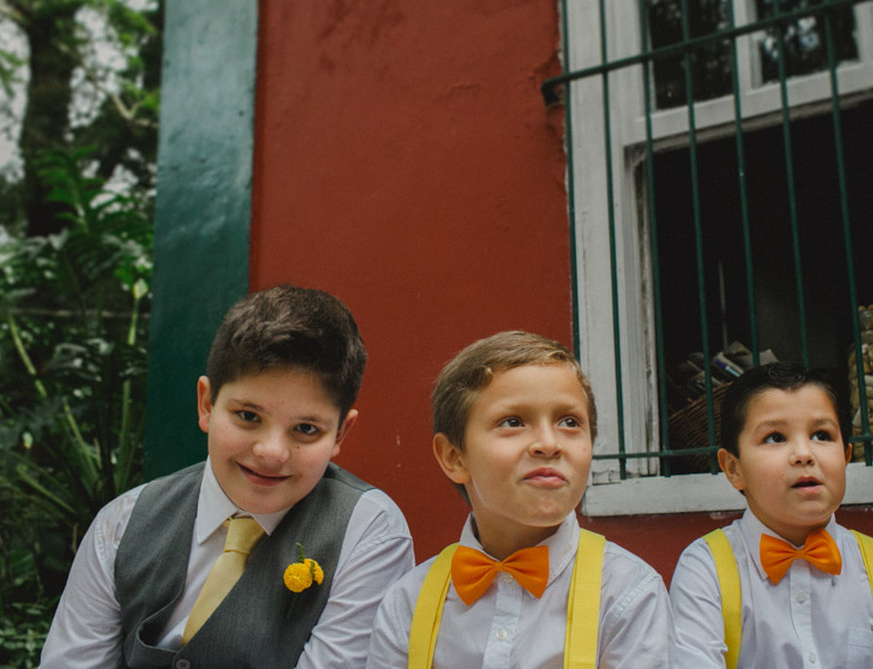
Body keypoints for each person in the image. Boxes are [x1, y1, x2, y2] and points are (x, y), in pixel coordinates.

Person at [41, 284, 414, 668]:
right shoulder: (121, 525)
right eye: (248, 416)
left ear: (340, 434)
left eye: (306, 429)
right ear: (206, 404)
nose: (271, 452)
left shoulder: (367, 533)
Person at [366, 330, 672, 669]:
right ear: (454, 457)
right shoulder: (407, 605)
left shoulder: (628, 595)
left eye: (569, 422)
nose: (549, 443)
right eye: (513, 422)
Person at [669, 362, 873, 668]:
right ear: (733, 469)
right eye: (775, 438)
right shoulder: (706, 571)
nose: (804, 454)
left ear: (846, 456)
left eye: (821, 435)